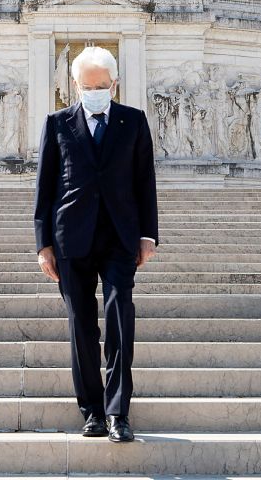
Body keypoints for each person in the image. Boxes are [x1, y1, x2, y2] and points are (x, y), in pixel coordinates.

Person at [33, 45, 159, 443]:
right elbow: (45, 187)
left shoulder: (134, 121)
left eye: (101, 86)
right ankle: (91, 410)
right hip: (71, 236)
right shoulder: (57, 123)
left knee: (121, 315)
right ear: (75, 85)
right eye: (87, 86)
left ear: (114, 83)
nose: (94, 92)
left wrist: (147, 235)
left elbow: (145, 181)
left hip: (120, 236)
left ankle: (118, 411)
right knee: (81, 326)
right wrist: (43, 245)